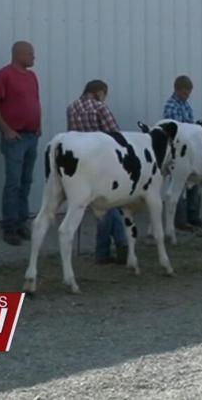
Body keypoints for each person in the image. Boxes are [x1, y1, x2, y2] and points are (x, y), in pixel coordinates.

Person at [66, 80, 128, 265]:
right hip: (103, 161)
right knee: (109, 204)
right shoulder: (100, 108)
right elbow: (114, 135)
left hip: (82, 163)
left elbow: (71, 135)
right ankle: (121, 242)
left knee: (99, 206)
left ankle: (102, 251)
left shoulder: (72, 108)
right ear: (100, 92)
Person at [0, 41, 41, 246]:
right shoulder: (3, 76)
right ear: (18, 54)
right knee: (13, 183)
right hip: (15, 138)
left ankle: (21, 223)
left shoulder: (32, 77)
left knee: (26, 182)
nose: (33, 57)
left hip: (31, 137)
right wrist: (6, 129)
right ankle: (9, 228)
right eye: (30, 53)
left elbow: (34, 102)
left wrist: (38, 126)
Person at [163, 75, 202, 229]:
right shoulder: (171, 106)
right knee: (177, 184)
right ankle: (179, 219)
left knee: (193, 182)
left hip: (189, 148)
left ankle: (193, 216)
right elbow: (176, 128)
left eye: (189, 93)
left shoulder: (186, 105)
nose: (188, 96)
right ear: (178, 90)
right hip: (177, 150)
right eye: (185, 92)